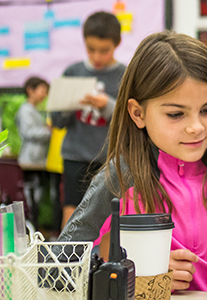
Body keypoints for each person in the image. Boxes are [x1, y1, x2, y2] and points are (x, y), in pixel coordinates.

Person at [57, 31, 207, 294]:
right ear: (138, 114)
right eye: (176, 114)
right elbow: (58, 267)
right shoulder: (119, 176)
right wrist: (139, 274)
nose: (196, 128)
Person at [50, 11, 126, 231]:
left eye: (104, 50)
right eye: (91, 49)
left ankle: (108, 264)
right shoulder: (73, 72)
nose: (97, 56)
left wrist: (106, 105)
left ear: (117, 44)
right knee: (71, 209)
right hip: (75, 157)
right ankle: (66, 262)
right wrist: (69, 103)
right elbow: (57, 121)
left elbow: (129, 121)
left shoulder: (125, 75)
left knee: (111, 214)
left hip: (109, 159)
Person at [15, 76, 51, 227]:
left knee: (36, 197)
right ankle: (30, 228)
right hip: (30, 160)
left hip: (37, 160)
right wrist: (49, 131)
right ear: (31, 90)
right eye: (43, 90)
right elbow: (29, 132)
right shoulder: (26, 110)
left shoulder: (33, 110)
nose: (45, 94)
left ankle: (34, 228)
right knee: (30, 198)